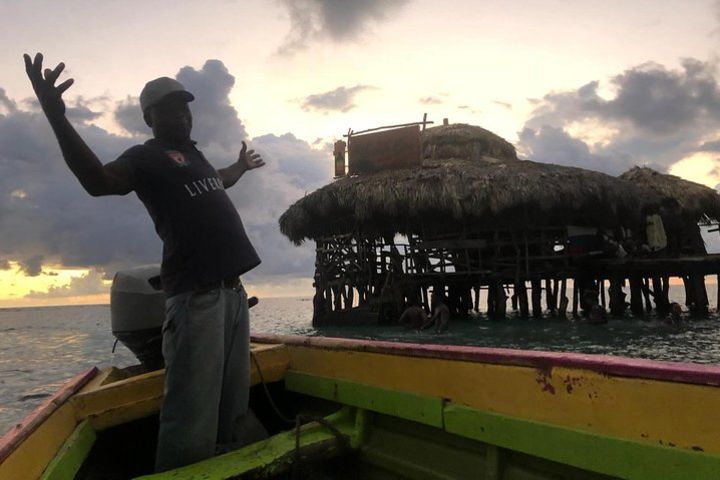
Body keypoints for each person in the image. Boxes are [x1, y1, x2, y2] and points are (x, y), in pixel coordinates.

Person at [23, 53, 266, 472]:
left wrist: (241, 166)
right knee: (192, 418)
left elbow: (221, 179)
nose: (182, 114)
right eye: (169, 107)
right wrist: (57, 117)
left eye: (185, 105)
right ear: (149, 117)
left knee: (233, 407)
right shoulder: (144, 157)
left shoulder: (196, 158)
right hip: (197, 300)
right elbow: (99, 182)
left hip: (233, 296)